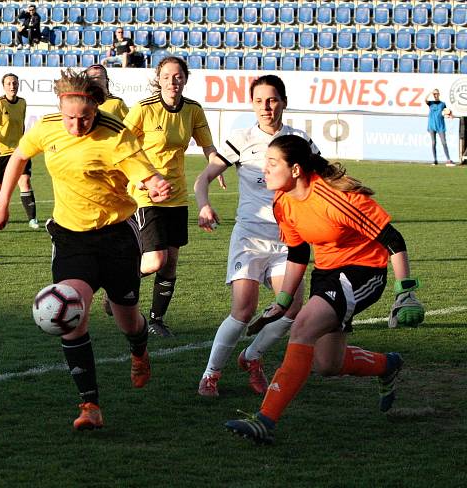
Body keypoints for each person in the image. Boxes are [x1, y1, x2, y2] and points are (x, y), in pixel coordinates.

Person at [0, 69, 172, 430]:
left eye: (84, 118)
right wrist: (2, 201)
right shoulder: (47, 126)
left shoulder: (116, 134)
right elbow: (19, 157)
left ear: (96, 108)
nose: (76, 125)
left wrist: (156, 185)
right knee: (71, 315)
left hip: (116, 237)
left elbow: (145, 175)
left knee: (128, 320)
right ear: (61, 106)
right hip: (72, 238)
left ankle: (138, 350)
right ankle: (90, 404)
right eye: (71, 117)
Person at [224, 134, 425, 444]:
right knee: (327, 364)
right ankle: (388, 365)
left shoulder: (336, 197)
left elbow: (394, 240)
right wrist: (282, 301)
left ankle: (265, 420)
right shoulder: (282, 201)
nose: (264, 170)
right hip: (327, 274)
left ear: (295, 170)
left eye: (272, 163)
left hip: (364, 271)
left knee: (302, 327)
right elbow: (299, 252)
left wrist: (406, 291)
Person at [195, 75, 316, 397]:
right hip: (249, 237)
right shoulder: (241, 139)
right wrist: (204, 205)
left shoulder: (299, 141)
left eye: (272, 99)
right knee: (244, 310)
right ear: (252, 104)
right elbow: (202, 179)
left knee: (291, 309)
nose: (266, 106)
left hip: (288, 240)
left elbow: (323, 180)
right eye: (259, 100)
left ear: (284, 102)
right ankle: (211, 374)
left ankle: (252, 357)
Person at [123, 56, 226, 338]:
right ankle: (120, 285)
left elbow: (209, 147)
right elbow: (120, 146)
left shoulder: (193, 110)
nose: (173, 81)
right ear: (159, 79)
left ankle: (156, 320)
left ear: (185, 78)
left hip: (177, 195)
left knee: (170, 262)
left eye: (178, 76)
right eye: (167, 76)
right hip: (147, 194)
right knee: (155, 259)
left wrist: (217, 167)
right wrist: (138, 180)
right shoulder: (143, 109)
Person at [0, 73, 38, 229]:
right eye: (9, 83)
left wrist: (24, 142)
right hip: (0, 152)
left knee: (25, 181)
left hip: (19, 151)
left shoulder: (22, 103)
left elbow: (22, 125)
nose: (12, 86)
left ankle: (32, 220)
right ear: (4, 86)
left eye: (14, 83)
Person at [426, 89, 455, 166]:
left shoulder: (442, 104)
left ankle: (448, 160)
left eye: (436, 94)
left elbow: (447, 111)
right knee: (433, 143)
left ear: (439, 94)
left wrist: (450, 115)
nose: (435, 95)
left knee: (444, 142)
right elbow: (425, 100)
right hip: (432, 125)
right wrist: (430, 93)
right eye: (434, 94)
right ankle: (435, 160)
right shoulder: (430, 103)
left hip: (440, 126)